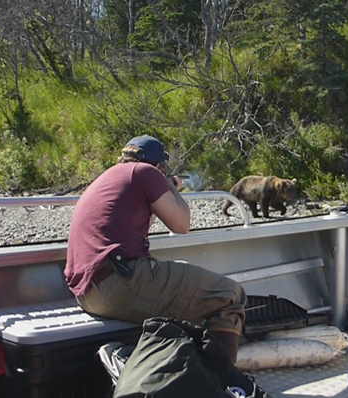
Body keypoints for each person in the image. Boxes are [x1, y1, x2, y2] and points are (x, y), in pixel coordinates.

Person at [64, 134, 246, 363]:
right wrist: (171, 188)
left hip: (88, 293)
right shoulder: (145, 173)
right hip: (116, 284)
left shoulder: (109, 177)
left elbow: (132, 228)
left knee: (184, 277)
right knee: (228, 295)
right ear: (159, 166)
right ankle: (223, 383)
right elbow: (182, 224)